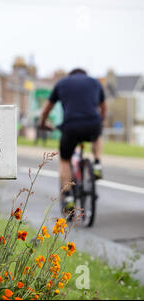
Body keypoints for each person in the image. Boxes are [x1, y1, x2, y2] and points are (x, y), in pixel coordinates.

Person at [39, 68, 107, 213]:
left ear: (70, 76)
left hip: (71, 127)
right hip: (92, 124)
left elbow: (46, 110)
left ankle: (68, 196)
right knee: (97, 135)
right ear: (84, 75)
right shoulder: (95, 82)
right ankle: (97, 164)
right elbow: (103, 107)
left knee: (64, 159)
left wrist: (43, 123)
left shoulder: (61, 83)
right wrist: (101, 122)